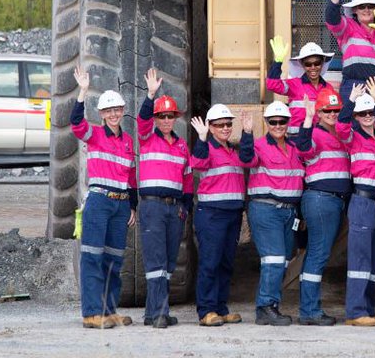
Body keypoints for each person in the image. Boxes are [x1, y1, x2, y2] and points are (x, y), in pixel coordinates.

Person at [71, 67, 137, 329]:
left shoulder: (128, 141)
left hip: (120, 205)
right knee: (92, 257)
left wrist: (132, 206)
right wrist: (83, 92)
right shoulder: (94, 134)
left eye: (117, 110)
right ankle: (91, 314)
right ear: (101, 114)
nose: (113, 114)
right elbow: (76, 123)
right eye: (108, 111)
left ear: (122, 111)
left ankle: (109, 311)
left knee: (114, 259)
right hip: (98, 202)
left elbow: (131, 177)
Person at [246, 98, 316, 325]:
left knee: (284, 260)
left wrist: (308, 120)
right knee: (274, 259)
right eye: (273, 121)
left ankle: (271, 305)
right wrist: (247, 134)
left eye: (282, 121)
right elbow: (246, 159)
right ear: (266, 122)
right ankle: (265, 306)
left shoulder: (295, 147)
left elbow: (308, 153)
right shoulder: (258, 145)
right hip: (266, 209)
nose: (278, 125)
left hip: (289, 213)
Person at [135, 68, 193, 328]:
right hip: (152, 207)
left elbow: (188, 178)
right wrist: (150, 95)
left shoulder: (181, 145)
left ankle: (153, 313)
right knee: (156, 262)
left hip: (174, 209)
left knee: (168, 264)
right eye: (163, 116)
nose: (167, 120)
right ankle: (160, 313)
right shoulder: (147, 137)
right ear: (157, 119)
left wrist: (186, 208)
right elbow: (142, 120)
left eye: (171, 116)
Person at [335, 78, 375, 326]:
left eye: (370, 112)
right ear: (357, 117)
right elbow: (340, 128)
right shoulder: (353, 138)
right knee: (360, 257)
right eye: (363, 113)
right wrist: (350, 102)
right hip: (362, 200)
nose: (368, 116)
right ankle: (355, 311)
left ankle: (367, 309)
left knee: (373, 257)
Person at [189, 104, 253, 326]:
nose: (225, 128)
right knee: (210, 262)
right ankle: (206, 311)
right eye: (220, 125)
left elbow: (248, 159)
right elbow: (197, 162)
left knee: (226, 263)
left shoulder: (233, 152)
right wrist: (202, 138)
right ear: (211, 127)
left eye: (228, 124)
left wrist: (247, 133)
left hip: (232, 215)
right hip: (212, 215)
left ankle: (220, 308)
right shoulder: (206, 149)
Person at [298, 88, 350, 326]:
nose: (332, 114)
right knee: (318, 254)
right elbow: (304, 149)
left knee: (319, 253)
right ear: (319, 112)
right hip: (321, 199)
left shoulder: (340, 134)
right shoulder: (315, 134)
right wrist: (307, 120)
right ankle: (309, 310)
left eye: (336, 110)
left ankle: (310, 308)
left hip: (334, 200)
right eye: (327, 110)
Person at [265, 38, 335, 128]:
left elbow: (334, 115)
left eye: (317, 63)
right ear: (302, 64)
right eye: (308, 64)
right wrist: (278, 61)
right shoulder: (294, 84)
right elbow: (272, 85)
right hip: (296, 138)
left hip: (320, 138)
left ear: (322, 63)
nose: (313, 67)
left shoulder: (329, 88)